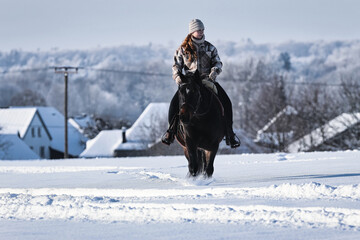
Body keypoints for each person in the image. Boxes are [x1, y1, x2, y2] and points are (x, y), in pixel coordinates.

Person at [161, 19, 240, 148]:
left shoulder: (210, 47)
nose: (201, 32)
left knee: (226, 102)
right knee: (174, 103)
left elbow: (218, 62)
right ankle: (171, 132)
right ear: (192, 31)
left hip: (207, 81)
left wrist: (214, 72)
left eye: (202, 29)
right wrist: (177, 77)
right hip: (188, 83)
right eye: (199, 30)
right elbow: (176, 65)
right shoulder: (183, 49)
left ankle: (230, 134)